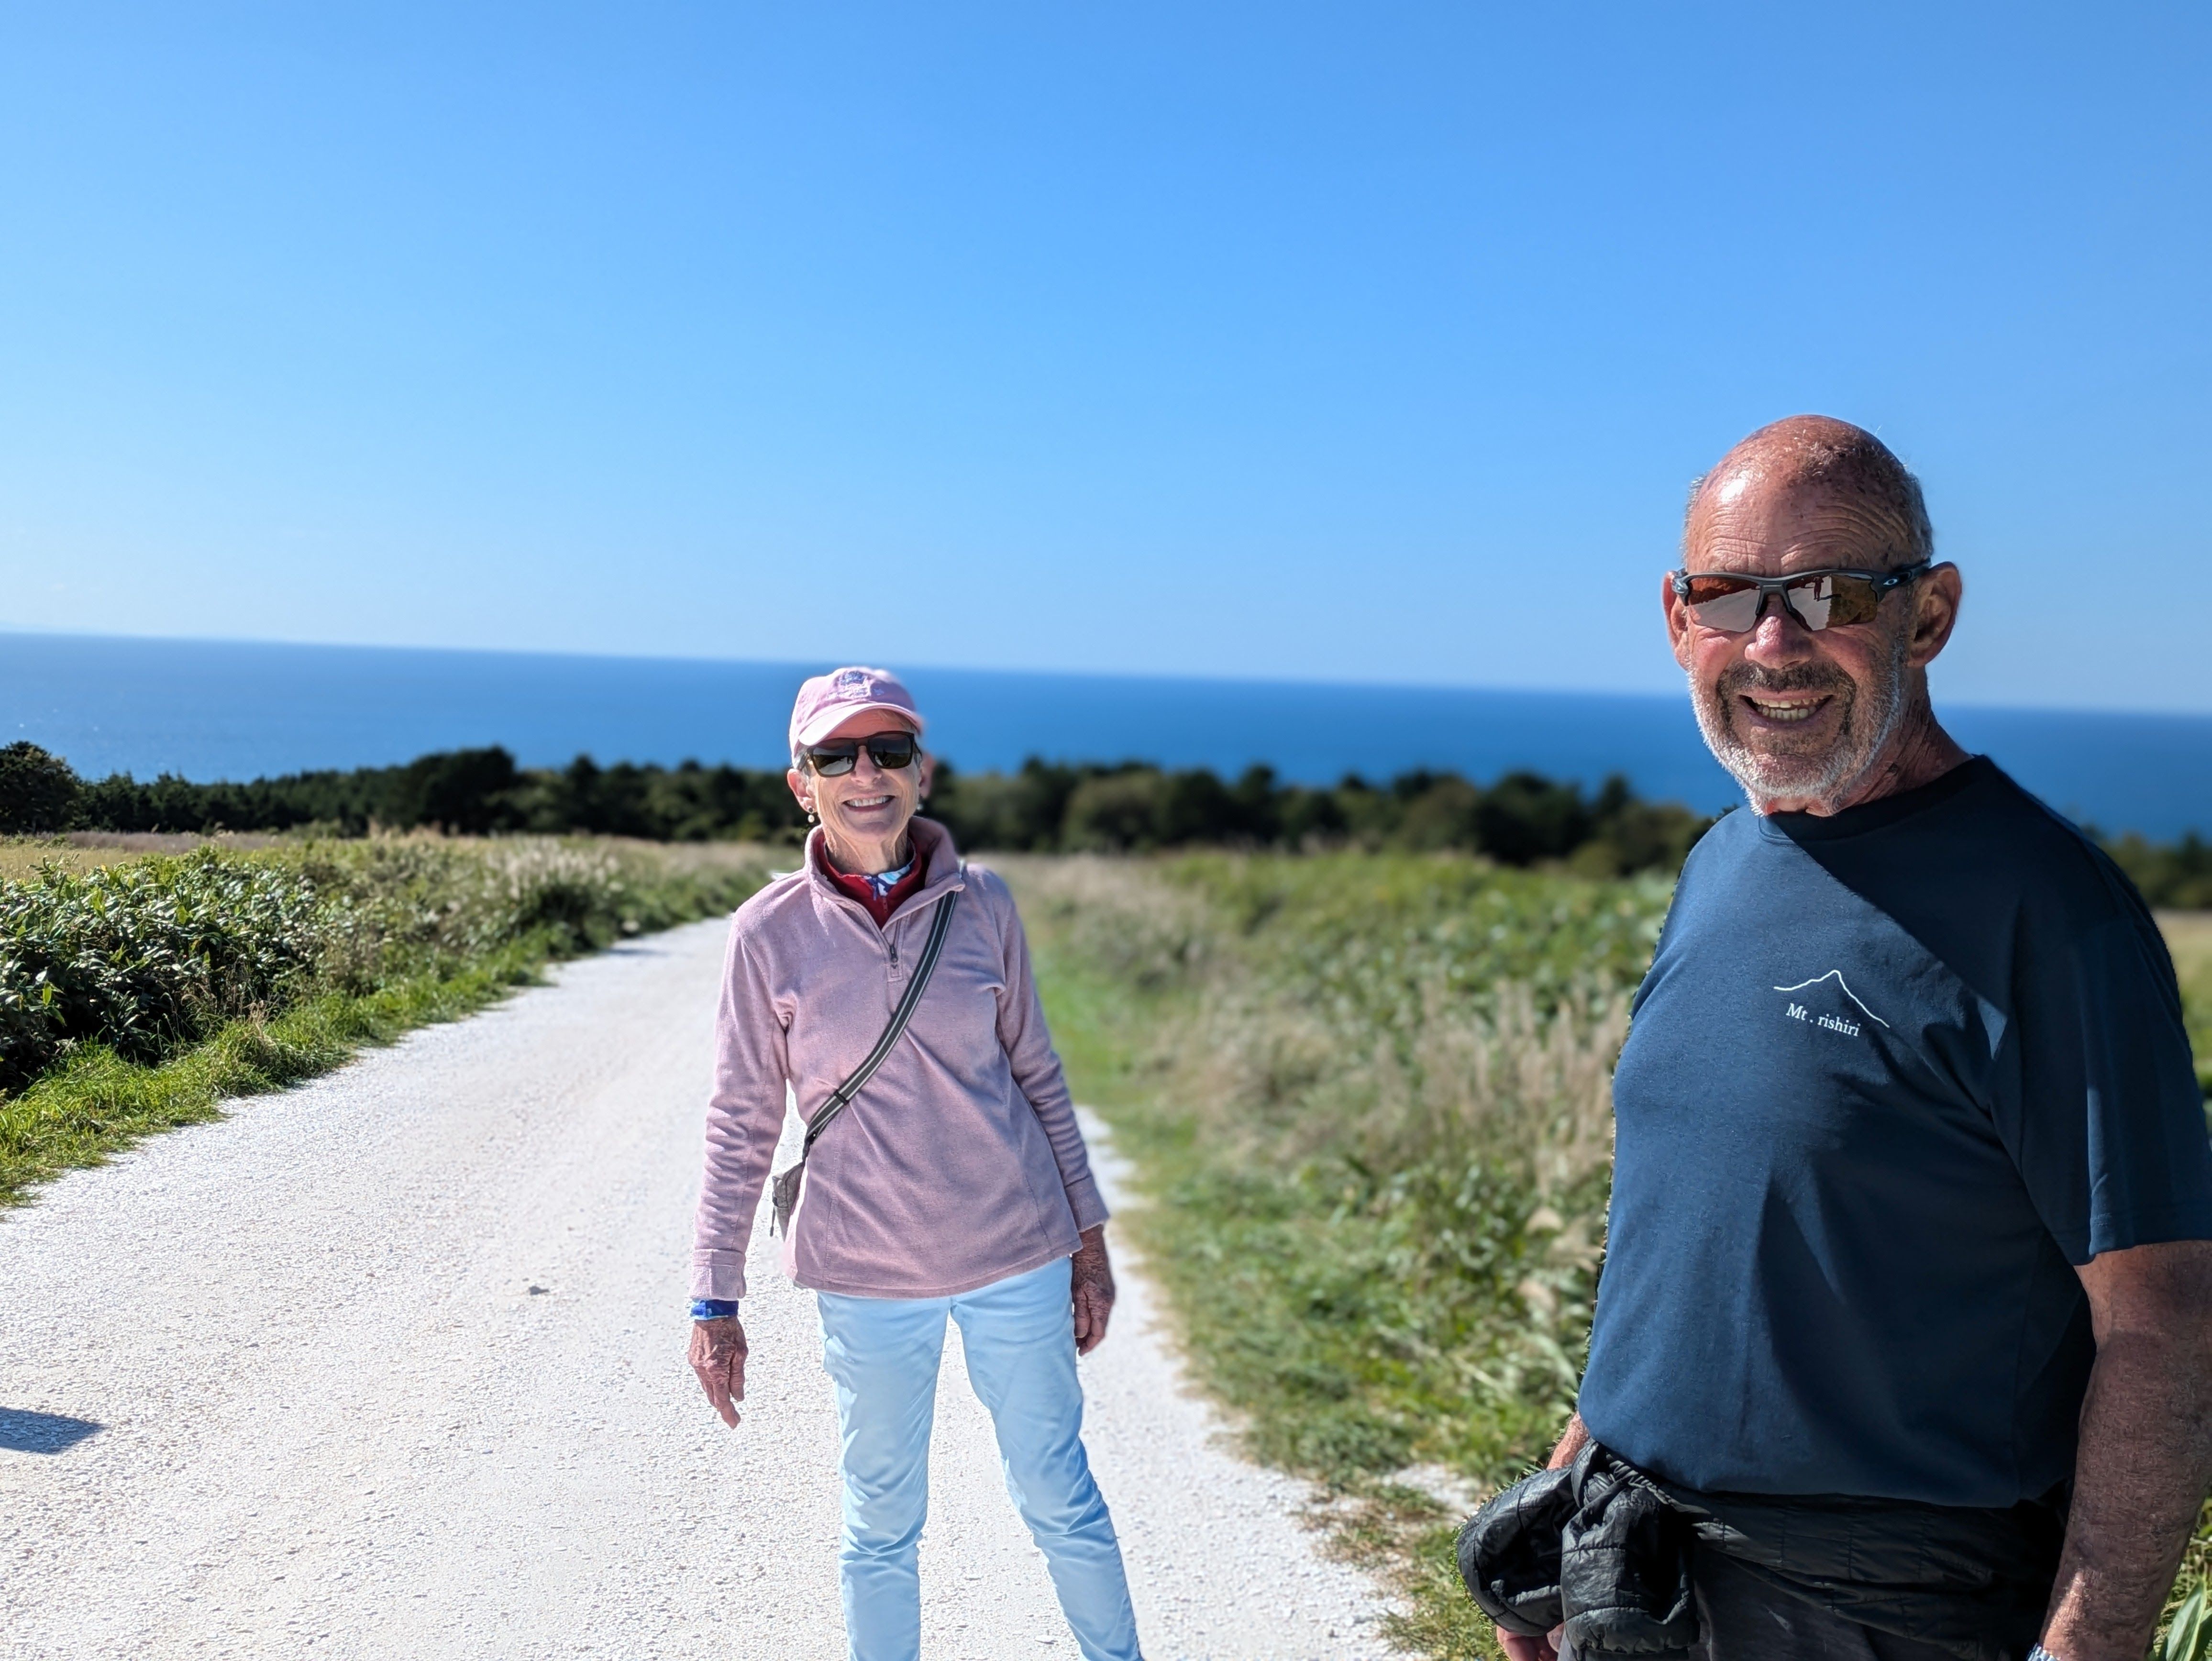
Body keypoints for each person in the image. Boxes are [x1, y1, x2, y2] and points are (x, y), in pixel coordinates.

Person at [1495, 418, 2212, 1661]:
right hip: (1643, 1574)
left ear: (1925, 617)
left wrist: (2084, 1650)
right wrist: (1573, 1497)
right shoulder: (1722, 865)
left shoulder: (2050, 914)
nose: (1775, 643)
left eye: (1828, 593)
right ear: (1679, 622)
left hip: (1889, 1610)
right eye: (1731, 596)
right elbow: (1691, 1235)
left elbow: (2168, 1321)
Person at [685, 666, 1144, 1661]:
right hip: (864, 1273)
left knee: (1057, 1491)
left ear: (921, 773)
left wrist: (1089, 1241)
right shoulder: (766, 932)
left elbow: (1039, 1074)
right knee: (880, 1522)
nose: (866, 773)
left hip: (1015, 1252)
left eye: (888, 750)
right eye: (836, 755)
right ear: (798, 782)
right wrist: (713, 1304)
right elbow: (738, 1121)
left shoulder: (983, 904)